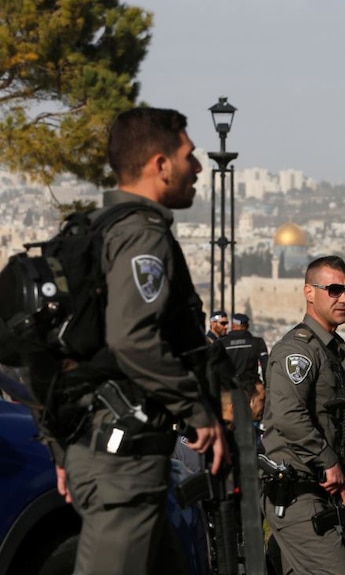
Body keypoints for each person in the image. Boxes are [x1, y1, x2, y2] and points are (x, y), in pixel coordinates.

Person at [57, 107, 227, 575]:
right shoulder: (140, 235)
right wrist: (198, 410)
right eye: (188, 156)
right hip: (122, 463)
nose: (197, 168)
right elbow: (131, 338)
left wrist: (61, 445)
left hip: (110, 454)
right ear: (160, 164)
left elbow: (55, 351)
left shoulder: (92, 232)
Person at [261, 255, 345, 574]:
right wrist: (328, 461)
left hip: (317, 492)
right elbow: (289, 415)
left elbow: (334, 425)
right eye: (333, 289)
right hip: (297, 492)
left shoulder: (329, 350)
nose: (344, 298)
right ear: (309, 292)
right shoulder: (299, 351)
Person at [213, 312, 269, 387]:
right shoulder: (257, 342)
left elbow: (214, 368)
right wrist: (267, 386)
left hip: (228, 387)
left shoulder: (221, 343)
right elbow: (265, 365)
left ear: (233, 326)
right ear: (247, 326)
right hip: (251, 386)